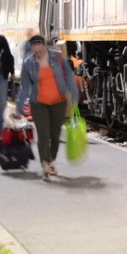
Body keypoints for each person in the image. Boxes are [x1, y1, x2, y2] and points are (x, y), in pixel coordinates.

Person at [18, 35, 78, 180]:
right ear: (32, 48)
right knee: (43, 135)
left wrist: (74, 96)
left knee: (55, 135)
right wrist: (19, 107)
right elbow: (25, 87)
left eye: (39, 45)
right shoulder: (28, 63)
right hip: (38, 104)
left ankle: (51, 160)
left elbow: (68, 77)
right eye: (34, 46)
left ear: (45, 45)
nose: (37, 49)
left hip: (58, 102)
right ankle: (45, 165)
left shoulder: (57, 57)